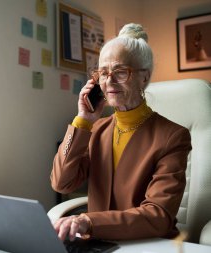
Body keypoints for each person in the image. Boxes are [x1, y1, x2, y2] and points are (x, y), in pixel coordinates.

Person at [51, 23, 192, 242]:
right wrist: (83, 121)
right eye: (103, 73)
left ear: (144, 77)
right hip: (99, 243)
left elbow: (158, 215)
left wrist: (89, 221)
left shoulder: (173, 136)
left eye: (120, 72)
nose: (109, 81)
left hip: (146, 244)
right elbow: (61, 183)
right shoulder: (96, 129)